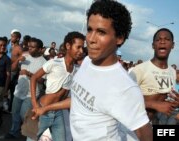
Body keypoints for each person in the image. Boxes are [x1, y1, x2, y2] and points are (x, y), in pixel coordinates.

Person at [32, 0, 153, 141]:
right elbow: (79, 99)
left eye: (101, 32)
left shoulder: (125, 87)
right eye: (89, 30)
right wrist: (46, 108)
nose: (91, 39)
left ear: (119, 38)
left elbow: (145, 133)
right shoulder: (87, 62)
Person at [31, 31, 85, 141]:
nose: (81, 51)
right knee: (31, 138)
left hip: (58, 113)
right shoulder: (54, 63)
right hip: (42, 111)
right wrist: (35, 104)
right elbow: (34, 78)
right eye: (78, 47)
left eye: (82, 48)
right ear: (68, 46)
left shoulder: (77, 70)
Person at [129, 28, 179, 125]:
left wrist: (176, 103)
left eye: (167, 39)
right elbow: (122, 99)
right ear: (153, 45)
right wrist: (154, 104)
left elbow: (167, 102)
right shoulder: (139, 70)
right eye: (158, 39)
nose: (162, 42)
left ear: (173, 45)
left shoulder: (172, 72)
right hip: (137, 128)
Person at [4, 37, 46, 139]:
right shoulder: (25, 56)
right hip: (19, 91)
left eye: (32, 47)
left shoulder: (44, 63)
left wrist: (29, 74)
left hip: (31, 94)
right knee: (15, 113)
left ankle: (28, 132)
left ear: (40, 49)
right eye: (29, 46)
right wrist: (18, 59)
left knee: (24, 114)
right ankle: (14, 131)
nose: (29, 48)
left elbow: (42, 81)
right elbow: (12, 69)